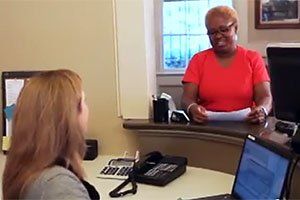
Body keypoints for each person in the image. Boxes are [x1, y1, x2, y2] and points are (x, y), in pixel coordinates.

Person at [2, 69, 100, 199]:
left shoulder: (26, 167)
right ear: (68, 116)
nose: (87, 108)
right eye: (83, 101)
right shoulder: (59, 187)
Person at [181, 6, 272, 124]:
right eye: (212, 32)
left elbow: (265, 96)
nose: (218, 36)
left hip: (248, 126)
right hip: (206, 127)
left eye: (224, 30)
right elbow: (186, 98)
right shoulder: (198, 60)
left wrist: (262, 110)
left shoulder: (253, 58)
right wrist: (192, 107)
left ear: (235, 28)